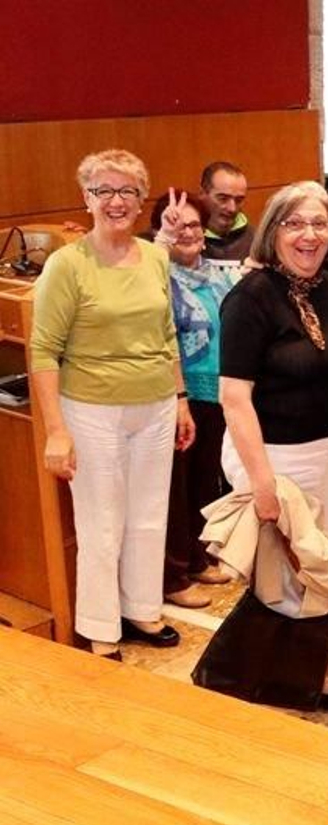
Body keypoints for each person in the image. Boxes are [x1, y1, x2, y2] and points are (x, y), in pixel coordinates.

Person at [31, 149, 194, 661]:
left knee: (149, 514)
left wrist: (181, 398)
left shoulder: (155, 256)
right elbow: (43, 350)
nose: (115, 201)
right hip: (91, 409)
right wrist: (56, 430)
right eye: (104, 191)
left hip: (156, 404)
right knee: (101, 522)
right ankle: (101, 627)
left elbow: (166, 334)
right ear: (87, 199)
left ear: (141, 200)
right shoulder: (67, 264)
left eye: (127, 191)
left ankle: (141, 609)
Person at [214, 180, 328, 712]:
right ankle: (251, 680)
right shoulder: (250, 297)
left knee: (317, 570)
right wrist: (262, 485)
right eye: (295, 223)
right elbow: (234, 399)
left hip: (325, 451)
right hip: (272, 457)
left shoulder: (326, 286)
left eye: (320, 223)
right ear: (272, 232)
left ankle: (303, 679)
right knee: (283, 578)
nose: (309, 235)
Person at [149, 189, 235, 609]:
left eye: (194, 225)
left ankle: (198, 557)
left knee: (206, 482)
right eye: (176, 224)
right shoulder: (155, 277)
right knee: (176, 489)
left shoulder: (218, 275)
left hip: (217, 394)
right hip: (177, 395)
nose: (187, 232)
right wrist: (180, 395)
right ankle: (173, 575)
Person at [200, 161, 254, 261]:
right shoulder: (185, 240)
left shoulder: (257, 242)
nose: (232, 208)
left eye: (238, 200)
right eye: (223, 198)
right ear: (202, 194)